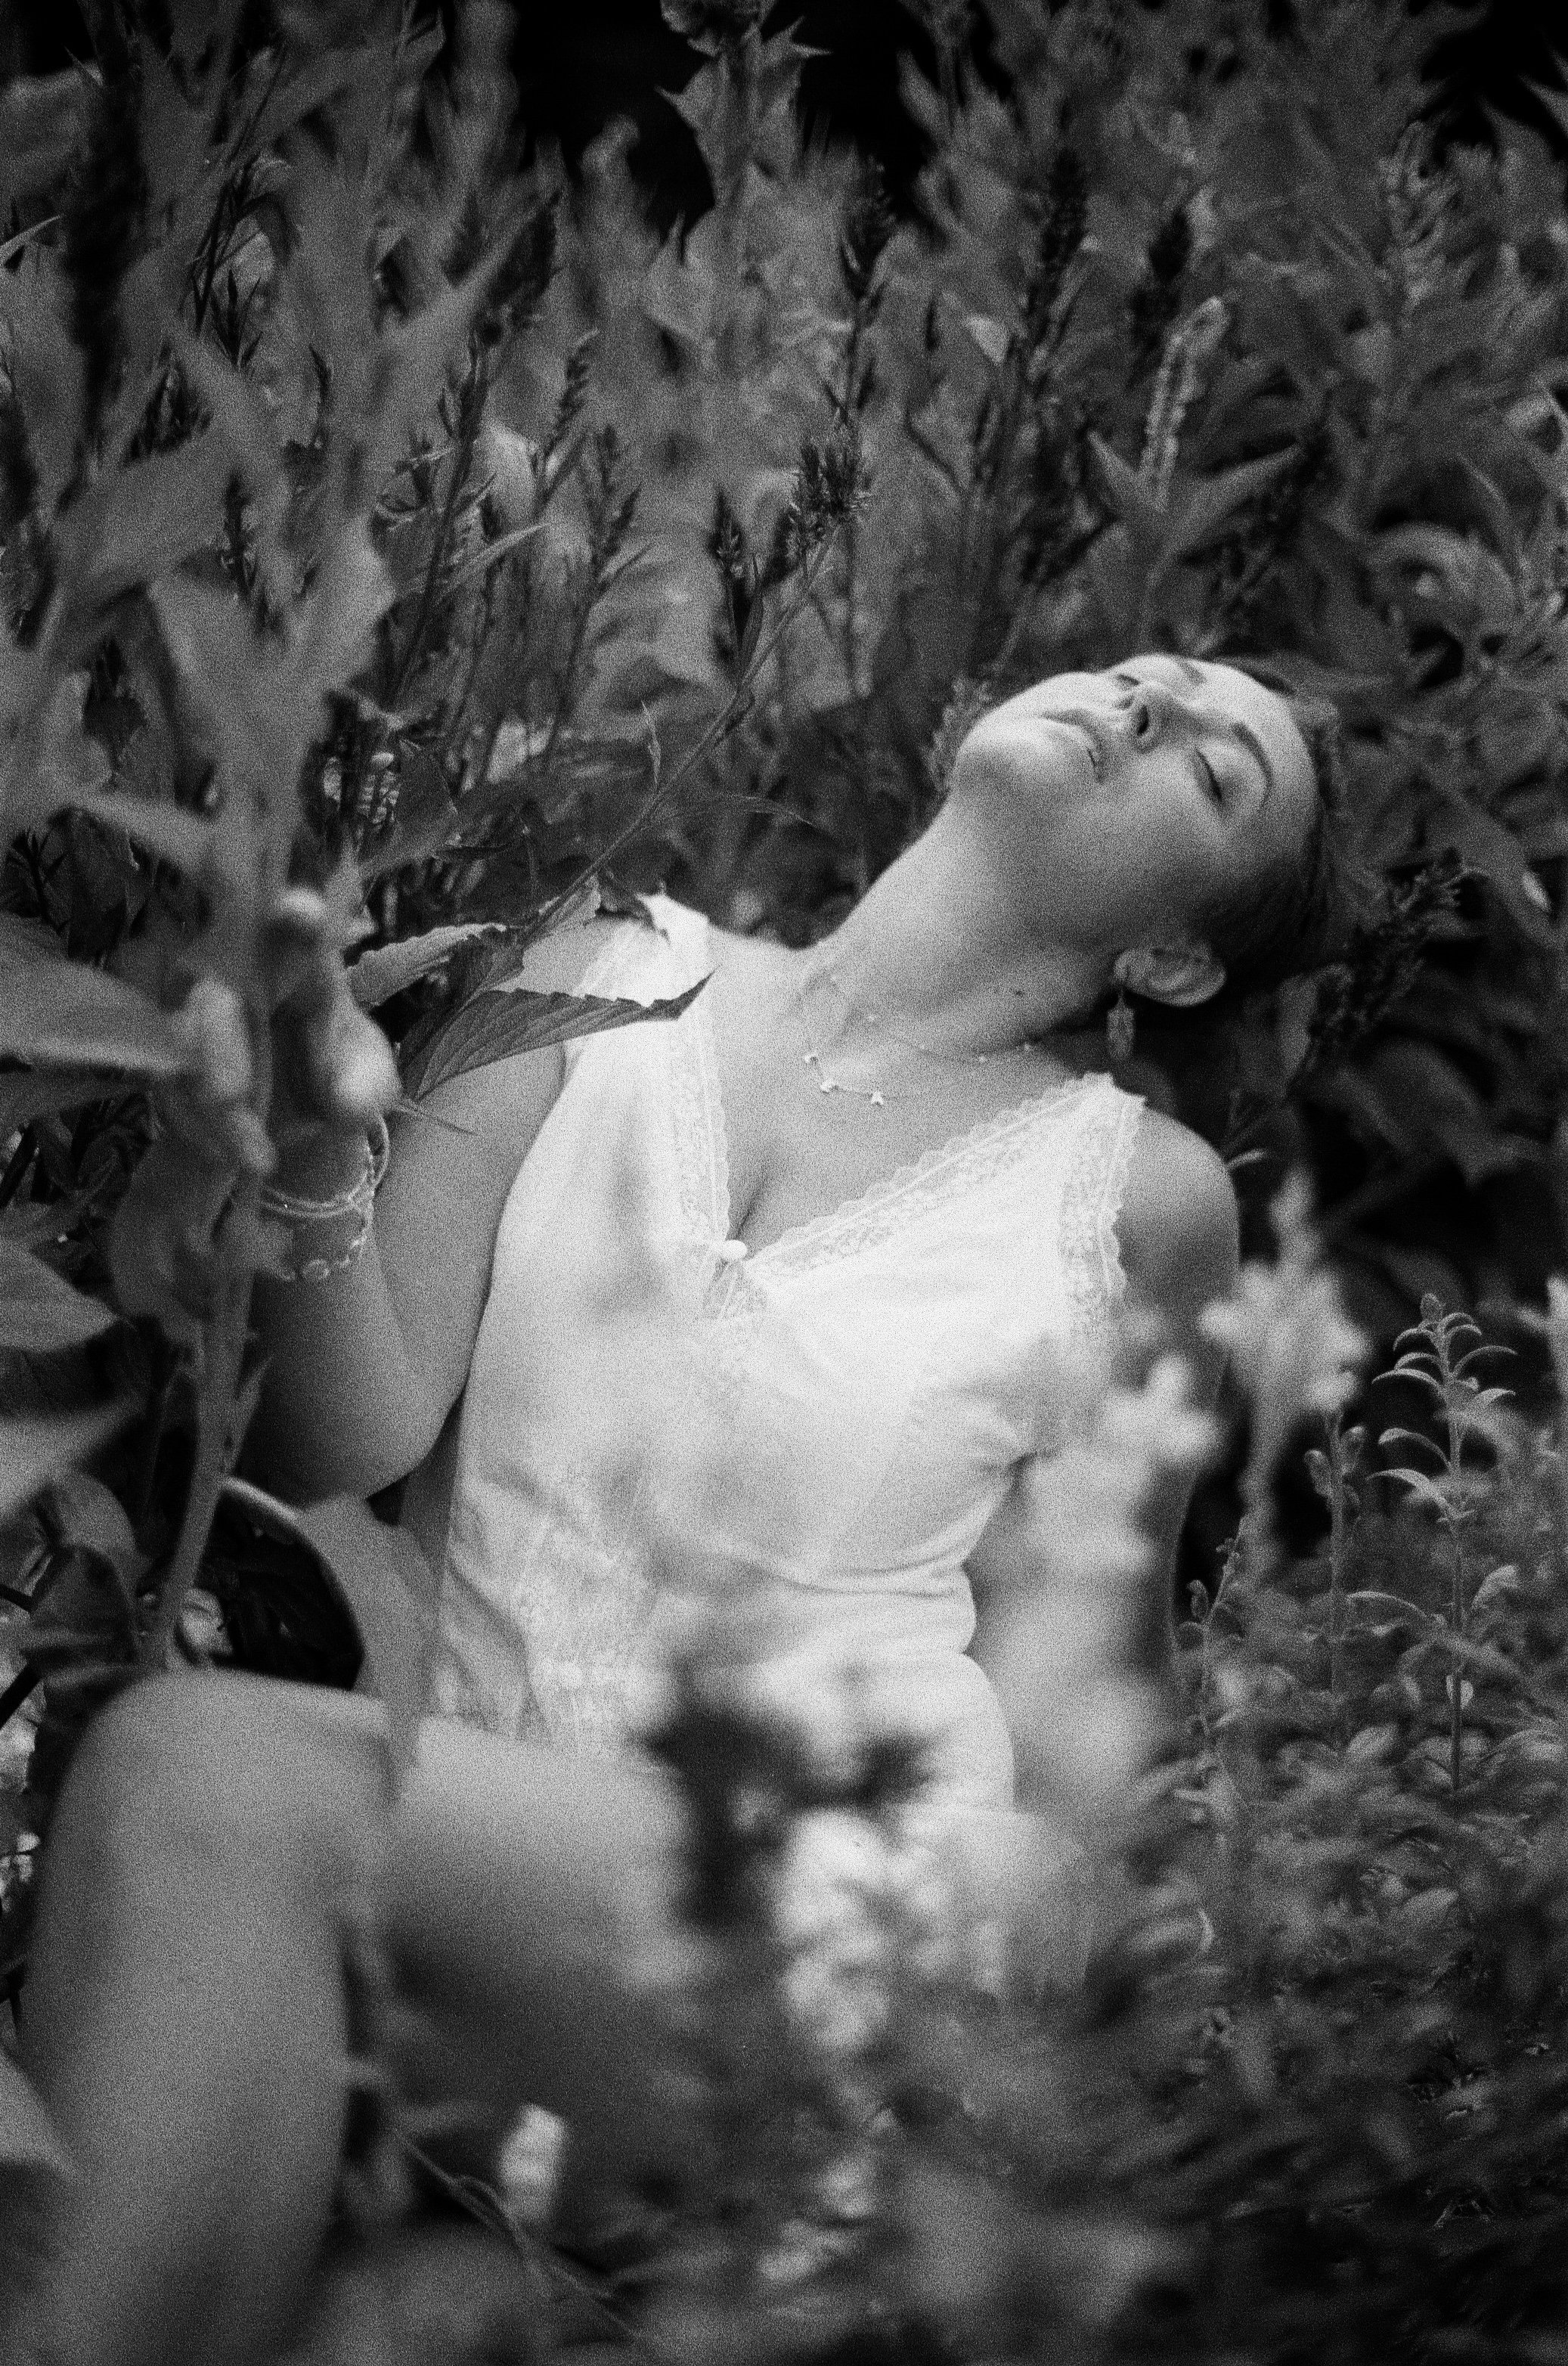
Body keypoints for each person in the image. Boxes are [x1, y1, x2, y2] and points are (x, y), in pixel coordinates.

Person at [12, 650, 1356, 2366]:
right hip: (470, 1888)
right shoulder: (598, 972)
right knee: (213, 1939)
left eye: (1213, 766)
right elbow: (355, 1424)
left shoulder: (1134, 1197)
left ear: (1171, 957)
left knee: (196, 1766)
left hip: (854, 1895)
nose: (1145, 707)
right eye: (1135, 675)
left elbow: (1077, 1699)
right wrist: (305, 1142)